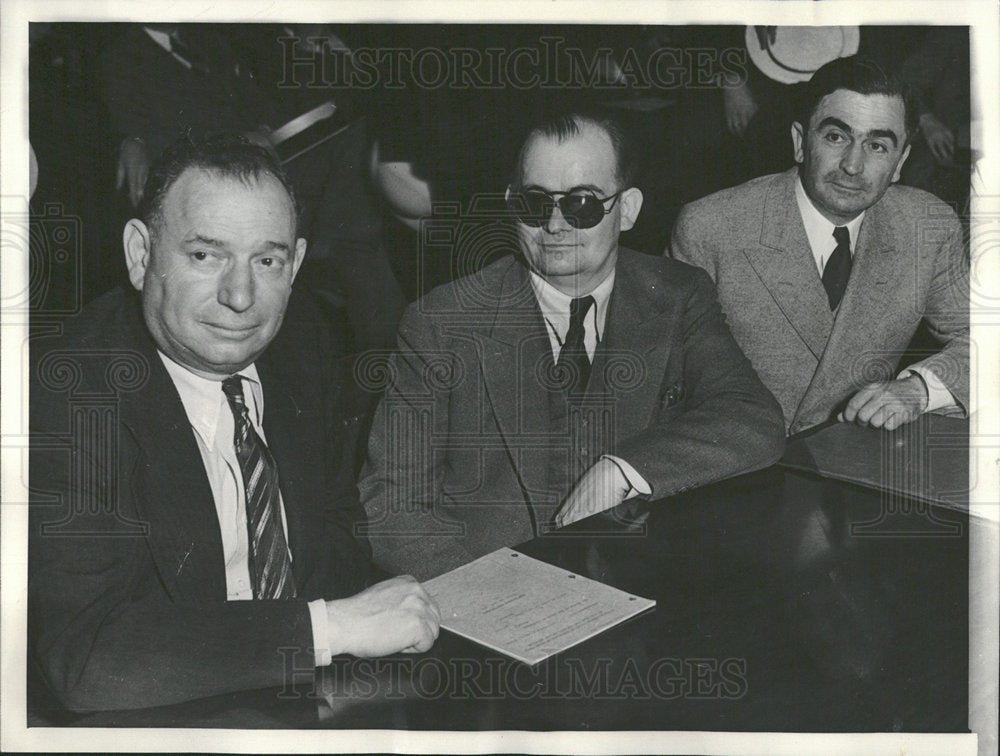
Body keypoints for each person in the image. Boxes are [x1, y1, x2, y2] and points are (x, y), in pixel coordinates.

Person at [28, 136, 439, 714]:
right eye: (205, 255)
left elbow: (337, 525)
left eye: (266, 261)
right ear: (141, 255)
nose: (241, 296)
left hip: (303, 696)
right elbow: (86, 661)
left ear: (295, 264)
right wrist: (325, 630)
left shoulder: (303, 340)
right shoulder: (64, 395)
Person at [358, 111, 786, 581]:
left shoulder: (677, 294)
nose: (556, 225)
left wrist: (625, 468)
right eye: (535, 203)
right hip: (492, 601)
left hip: (638, 588)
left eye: (582, 203)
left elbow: (752, 416)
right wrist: (482, 602)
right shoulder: (442, 322)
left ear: (627, 209)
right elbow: (392, 502)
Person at [671, 56, 969, 435]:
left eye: (877, 146)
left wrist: (919, 390)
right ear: (799, 142)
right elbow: (671, 383)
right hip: (736, 465)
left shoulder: (925, 224)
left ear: (900, 163)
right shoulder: (710, 227)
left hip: (853, 461)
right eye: (835, 137)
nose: (852, 165)